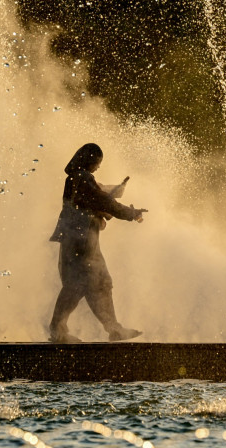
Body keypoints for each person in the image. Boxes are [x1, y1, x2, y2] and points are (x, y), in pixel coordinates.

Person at [48, 143, 147, 343]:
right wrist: (130, 213)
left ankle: (110, 328)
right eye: (97, 163)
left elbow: (97, 196)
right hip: (81, 242)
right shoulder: (82, 178)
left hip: (79, 240)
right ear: (89, 160)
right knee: (82, 283)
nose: (98, 167)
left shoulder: (77, 178)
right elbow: (102, 201)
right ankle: (59, 329)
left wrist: (114, 190)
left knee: (93, 283)